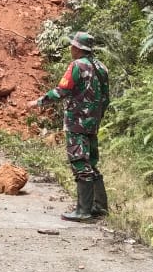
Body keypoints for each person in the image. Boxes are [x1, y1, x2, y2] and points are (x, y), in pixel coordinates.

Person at [27, 31, 110, 222]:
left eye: (72, 46)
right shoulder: (102, 67)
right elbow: (106, 98)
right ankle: (100, 206)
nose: (71, 49)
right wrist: (96, 117)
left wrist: (39, 102)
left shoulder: (77, 66)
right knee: (91, 162)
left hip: (76, 123)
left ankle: (83, 211)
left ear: (77, 48)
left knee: (80, 163)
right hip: (93, 123)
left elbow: (62, 91)